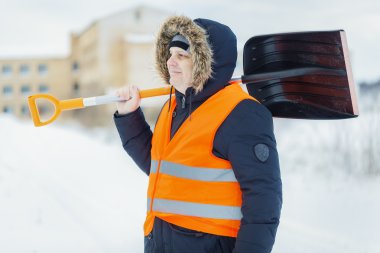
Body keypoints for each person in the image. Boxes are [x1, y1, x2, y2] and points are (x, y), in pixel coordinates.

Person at [114, 15, 282, 253]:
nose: (171, 61)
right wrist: (129, 116)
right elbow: (160, 169)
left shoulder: (241, 113)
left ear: (206, 64)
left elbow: (264, 202)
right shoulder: (174, 106)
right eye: (170, 53)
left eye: (182, 56)